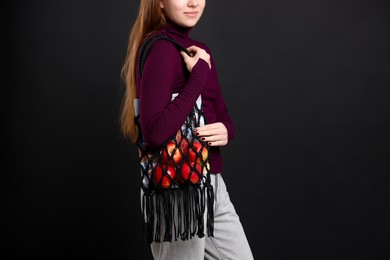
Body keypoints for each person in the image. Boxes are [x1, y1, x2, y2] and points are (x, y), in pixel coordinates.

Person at [121, 0, 253, 259]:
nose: (193, 2)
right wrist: (198, 76)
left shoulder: (200, 52)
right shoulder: (162, 49)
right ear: (159, 2)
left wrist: (227, 131)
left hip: (211, 185)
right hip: (176, 190)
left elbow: (222, 114)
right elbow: (154, 132)